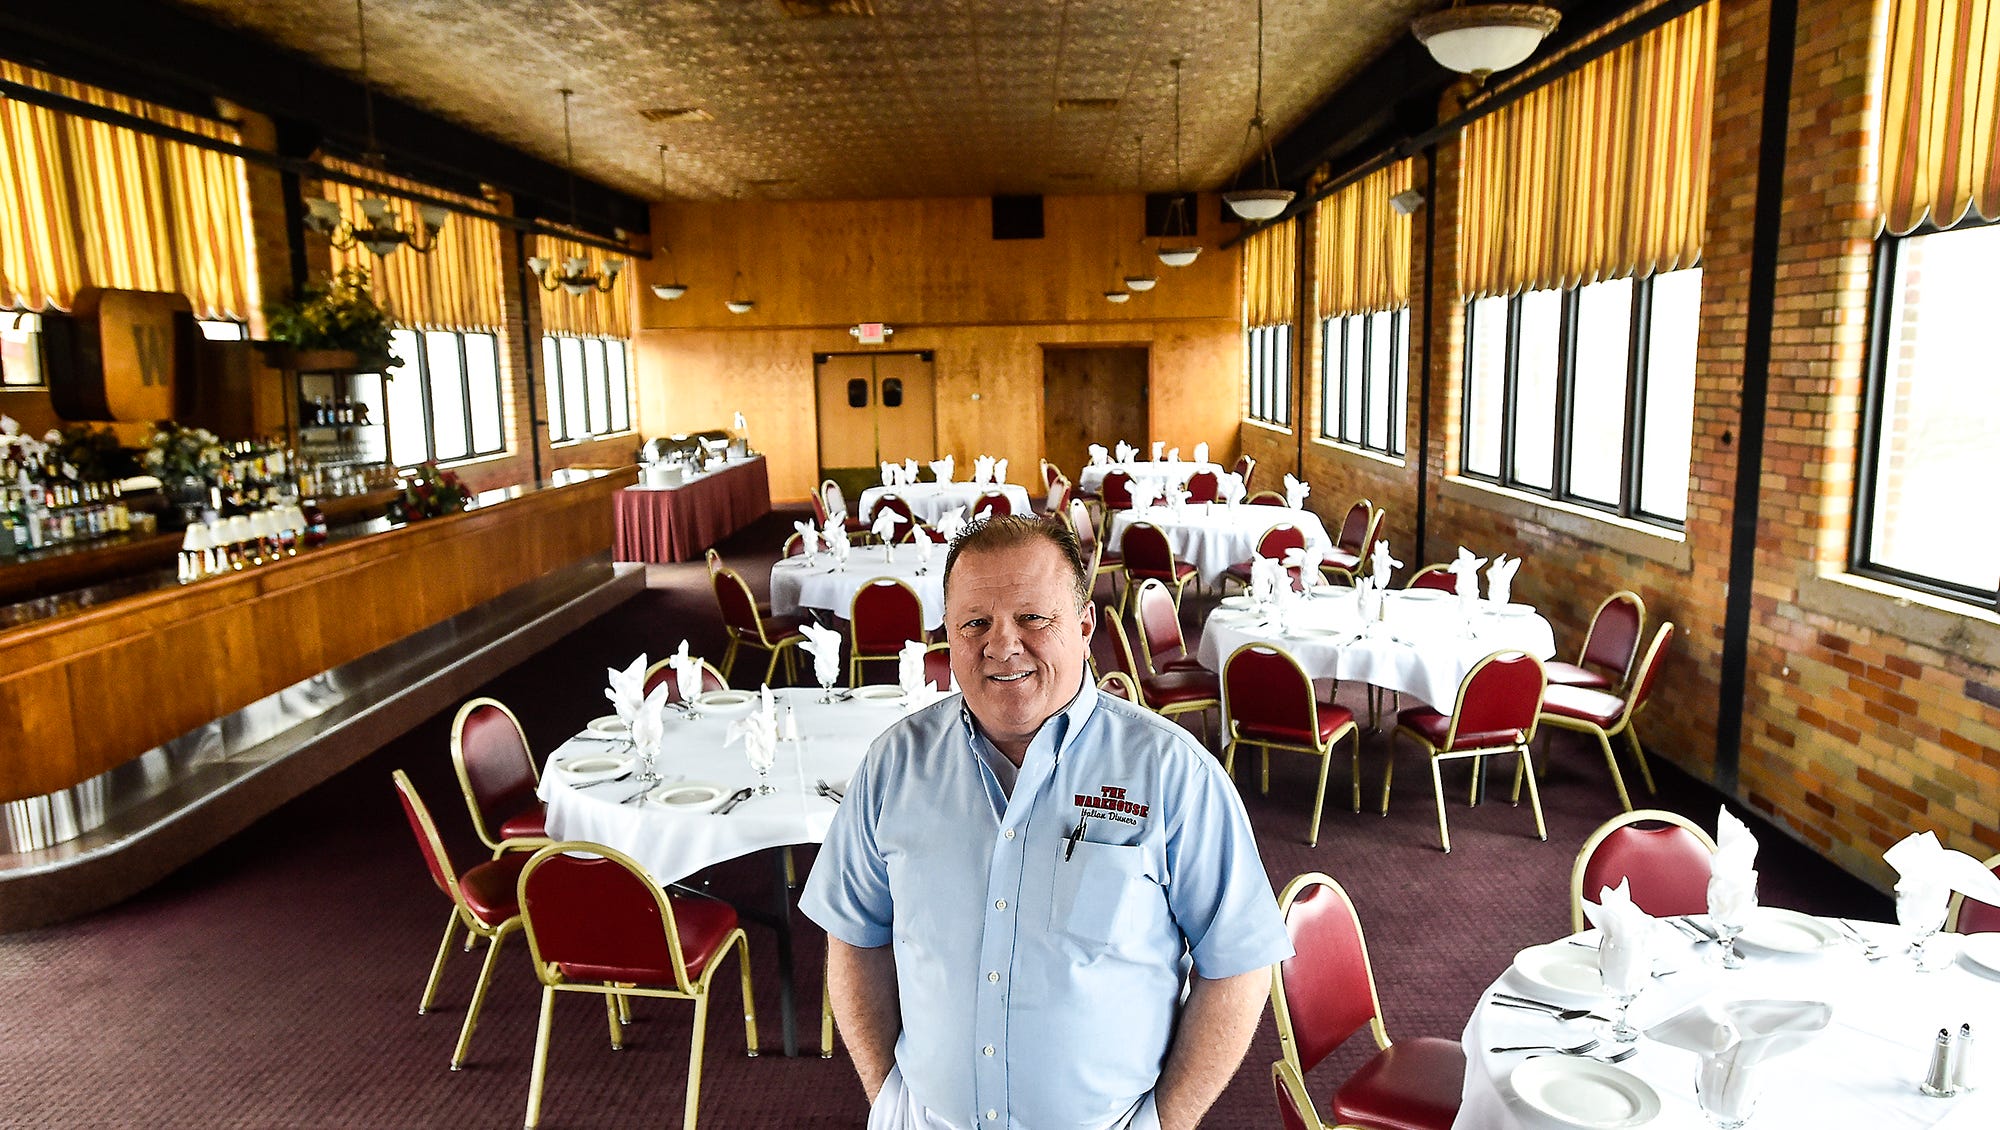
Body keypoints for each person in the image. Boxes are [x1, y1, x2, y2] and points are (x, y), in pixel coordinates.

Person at [801, 515, 1291, 1130]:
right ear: (947, 637)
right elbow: (853, 936)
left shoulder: (1172, 773)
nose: (1002, 646)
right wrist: (889, 1097)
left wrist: (1168, 1122)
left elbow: (1239, 961)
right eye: (974, 623)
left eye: (1034, 619)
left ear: (1084, 628)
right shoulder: (893, 767)